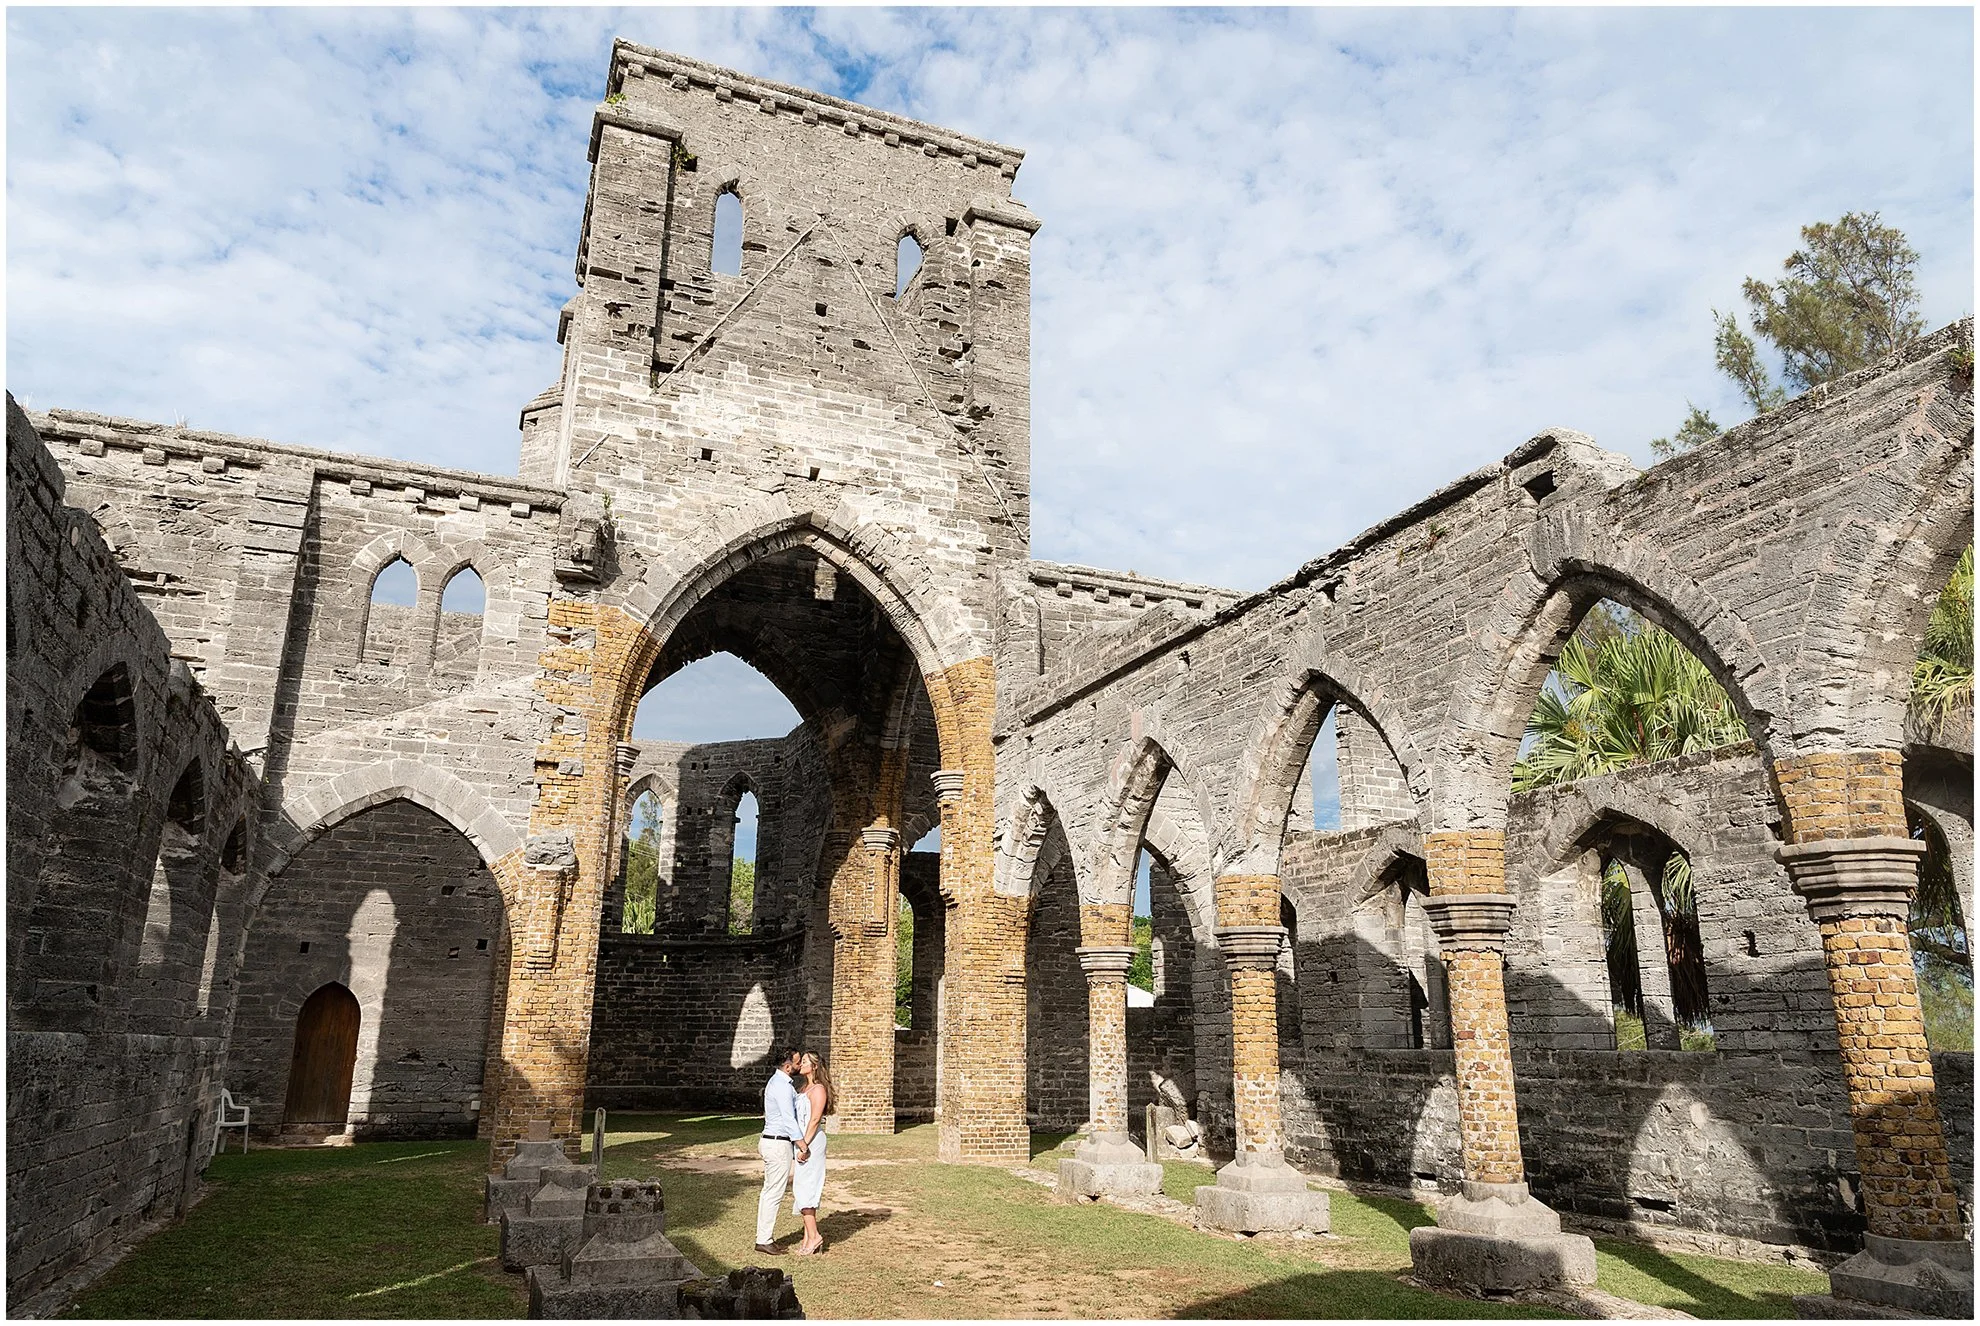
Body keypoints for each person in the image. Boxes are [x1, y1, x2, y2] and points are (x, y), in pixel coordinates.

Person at [756, 1046, 807, 1255]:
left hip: (773, 1141)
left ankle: (764, 1237)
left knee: (770, 1191)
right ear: (787, 1066)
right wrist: (801, 1143)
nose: (798, 1066)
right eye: (796, 1063)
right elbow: (788, 1118)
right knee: (773, 1193)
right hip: (777, 1143)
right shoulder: (783, 1086)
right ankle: (764, 1239)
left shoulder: (777, 1082)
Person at [790, 1050, 833, 1255]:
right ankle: (808, 1236)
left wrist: (804, 1144)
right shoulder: (803, 1088)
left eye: (805, 1061)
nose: (802, 1064)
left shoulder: (818, 1090)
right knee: (801, 1187)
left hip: (812, 1142)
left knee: (807, 1187)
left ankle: (815, 1236)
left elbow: (815, 1120)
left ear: (814, 1066)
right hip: (802, 1142)